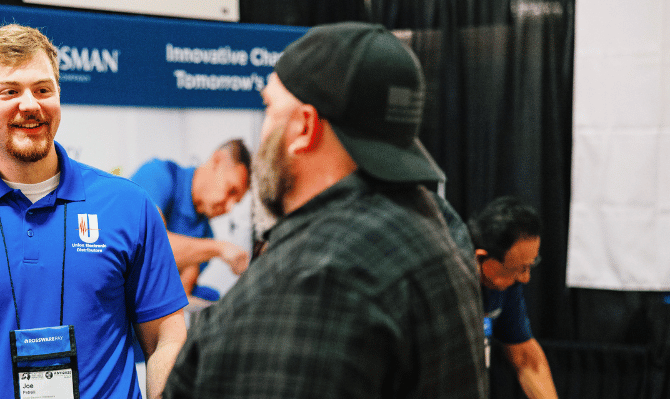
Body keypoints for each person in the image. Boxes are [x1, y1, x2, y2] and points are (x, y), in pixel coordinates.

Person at [165, 22, 487, 398]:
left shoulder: (308, 282)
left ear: (304, 128)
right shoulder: (443, 230)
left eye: (269, 106)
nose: (263, 130)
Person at [0, 24, 188, 399]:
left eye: (42, 89)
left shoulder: (129, 205)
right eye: (9, 91)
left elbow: (165, 337)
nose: (29, 104)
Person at [131, 140, 251, 297]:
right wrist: (219, 248)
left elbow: (170, 296)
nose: (229, 208)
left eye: (236, 202)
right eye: (231, 190)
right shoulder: (157, 175)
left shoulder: (206, 235)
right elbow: (149, 247)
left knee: (213, 297)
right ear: (217, 160)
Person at [469, 196, 558, 399]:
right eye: (519, 269)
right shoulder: (444, 283)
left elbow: (525, 356)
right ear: (481, 258)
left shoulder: (506, 284)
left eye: (530, 266)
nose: (525, 278)